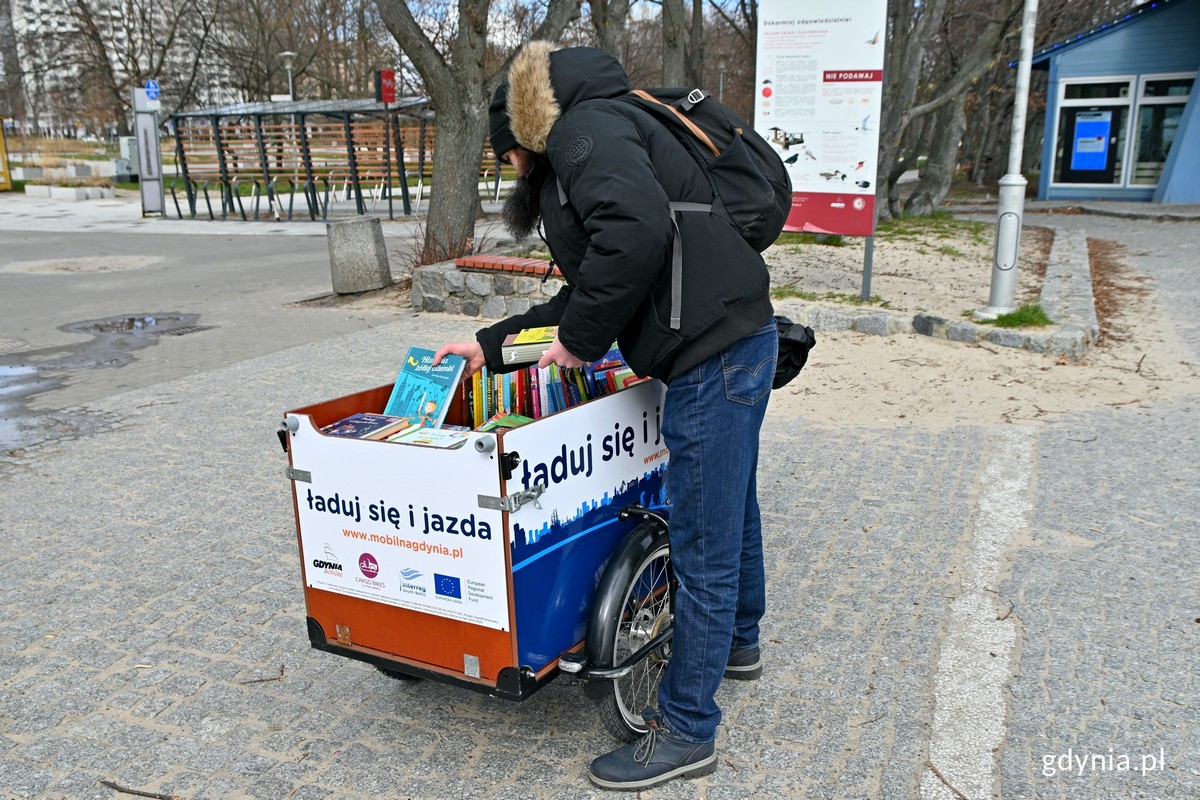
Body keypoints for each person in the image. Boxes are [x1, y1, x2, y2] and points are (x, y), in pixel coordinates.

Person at [435, 42, 776, 791]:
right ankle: (740, 642)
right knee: (731, 504)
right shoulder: (598, 131)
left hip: (714, 352)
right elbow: (584, 289)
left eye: (506, 157)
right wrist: (490, 347)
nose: (510, 172)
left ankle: (686, 730)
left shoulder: (582, 134)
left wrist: (582, 341)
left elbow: (636, 234)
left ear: (522, 137)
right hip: (732, 338)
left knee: (702, 541)